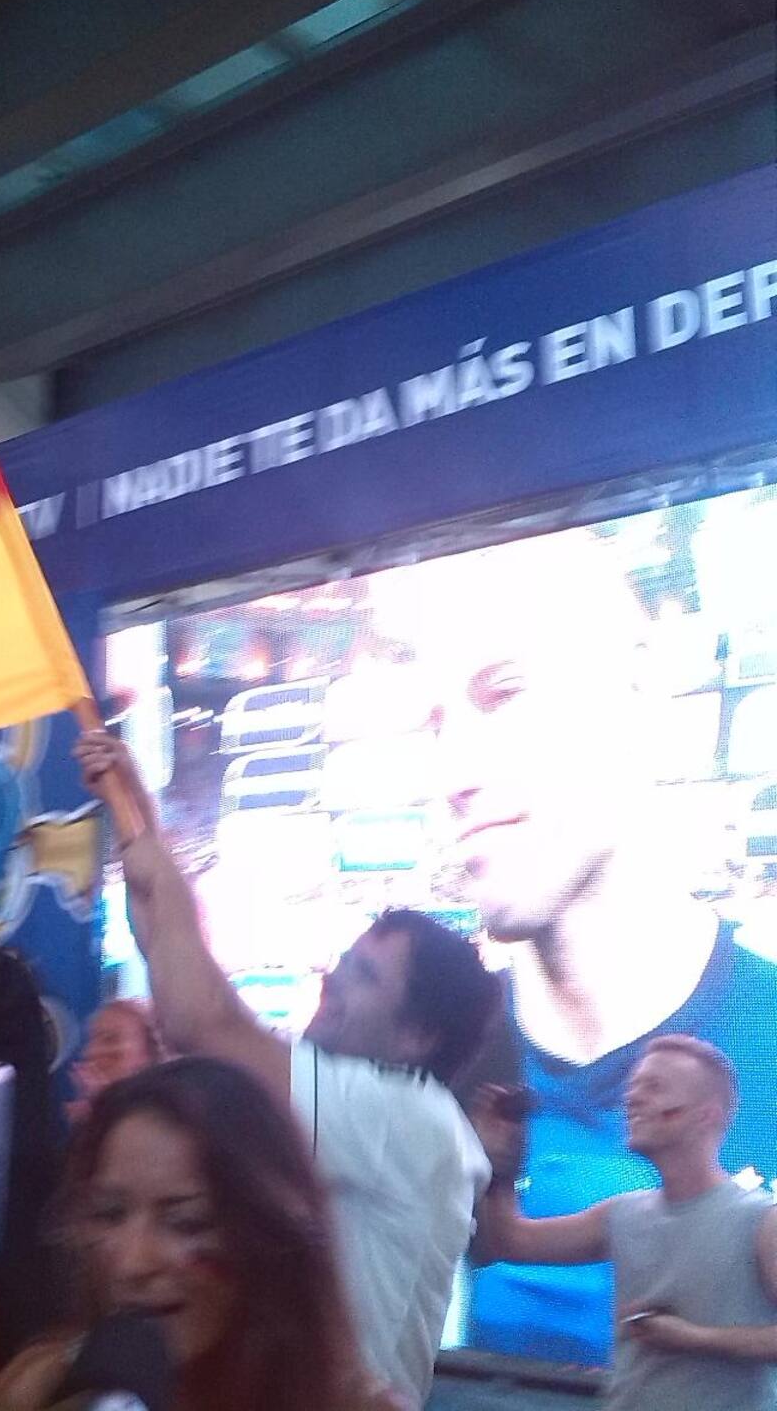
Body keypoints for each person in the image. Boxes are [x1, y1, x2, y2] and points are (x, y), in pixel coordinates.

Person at [400, 528, 777, 1362]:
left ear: (644, 694)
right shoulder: (433, 1071)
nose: (454, 772)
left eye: (505, 693)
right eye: (431, 724)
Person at [75, 731, 498, 1410]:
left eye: (363, 977)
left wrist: (144, 835)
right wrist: (134, 819)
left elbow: (199, 1017)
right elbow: (186, 982)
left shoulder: (408, 1119)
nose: (333, 980)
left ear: (419, 1036)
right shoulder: (357, 1105)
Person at [0, 1056, 403, 1411]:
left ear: (271, 1238)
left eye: (186, 1223)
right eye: (109, 1214)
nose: (132, 1264)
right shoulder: (40, 1391)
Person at [470, 1035, 777, 1408]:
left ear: (706, 1114)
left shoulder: (760, 1220)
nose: (632, 1099)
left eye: (654, 1087)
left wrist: (694, 1338)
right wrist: (501, 1165)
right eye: (632, 1087)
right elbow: (511, 1241)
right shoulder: (625, 1214)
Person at [66, 998, 164, 1125]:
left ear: (149, 1051)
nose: (91, 1052)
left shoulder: (167, 1118)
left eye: (110, 1039)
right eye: (92, 1039)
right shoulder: (86, 1117)